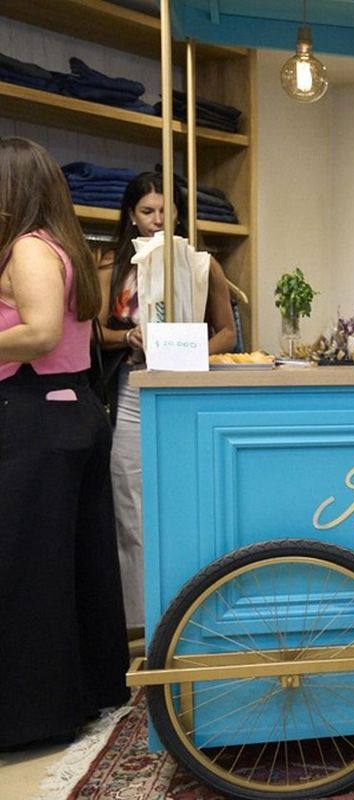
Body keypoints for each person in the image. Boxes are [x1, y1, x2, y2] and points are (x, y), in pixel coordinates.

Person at [0, 137, 130, 749]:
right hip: (71, 408)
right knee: (71, 561)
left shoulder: (27, 247)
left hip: (34, 414)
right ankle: (78, 693)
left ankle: (30, 714)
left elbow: (41, 331)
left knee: (26, 567)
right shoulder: (66, 245)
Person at [96, 172, 236, 631]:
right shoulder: (113, 266)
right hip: (132, 393)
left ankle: (189, 624)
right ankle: (137, 627)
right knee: (130, 513)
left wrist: (191, 351)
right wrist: (128, 335)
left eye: (164, 211)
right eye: (146, 212)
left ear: (178, 213)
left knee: (186, 507)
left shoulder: (200, 265)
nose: (157, 221)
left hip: (185, 394)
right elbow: (95, 330)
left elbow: (228, 332)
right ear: (131, 216)